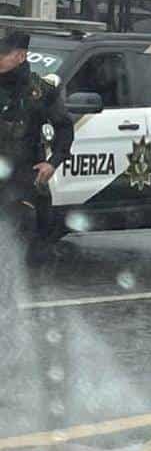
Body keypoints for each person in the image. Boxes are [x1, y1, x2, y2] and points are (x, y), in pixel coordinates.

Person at [0, 29, 74, 272]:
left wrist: (53, 162)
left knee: (23, 246)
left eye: (3, 55)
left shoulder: (39, 91)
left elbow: (64, 128)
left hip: (23, 179)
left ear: (21, 56)